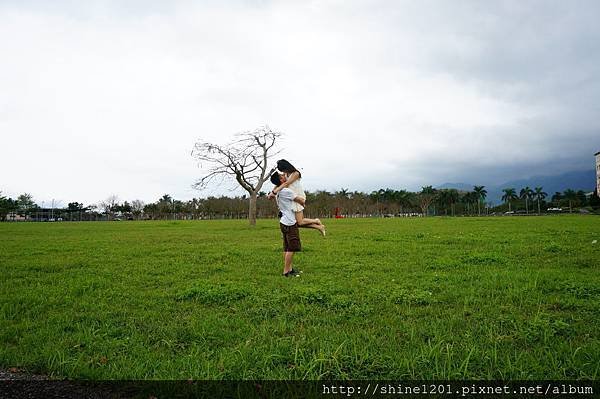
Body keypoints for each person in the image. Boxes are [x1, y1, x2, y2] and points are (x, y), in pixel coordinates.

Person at [269, 159, 326, 236]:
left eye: (283, 170)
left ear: (286, 167)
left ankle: (316, 221)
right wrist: (272, 192)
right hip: (291, 197)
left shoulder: (296, 173)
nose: (283, 172)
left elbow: (286, 183)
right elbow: (278, 184)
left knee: (300, 222)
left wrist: (274, 192)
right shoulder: (286, 174)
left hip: (298, 196)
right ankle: (319, 227)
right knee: (297, 223)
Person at [270, 172, 307, 277]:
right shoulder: (286, 191)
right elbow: (300, 200)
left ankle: (289, 269)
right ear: (281, 180)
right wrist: (303, 201)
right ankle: (286, 272)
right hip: (290, 223)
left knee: (287, 247)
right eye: (282, 176)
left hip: (283, 222)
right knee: (292, 248)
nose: (284, 176)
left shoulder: (279, 191)